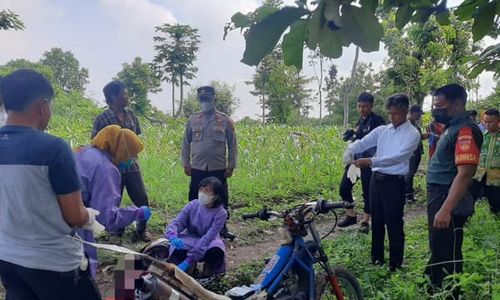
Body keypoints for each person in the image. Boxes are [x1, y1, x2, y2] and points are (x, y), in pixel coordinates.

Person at [0, 69, 101, 299]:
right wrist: (90, 217)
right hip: (53, 264)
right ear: (43, 106)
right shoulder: (53, 148)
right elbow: (74, 216)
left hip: (7, 259)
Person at [344, 94, 420, 271]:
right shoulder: (383, 130)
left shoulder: (412, 134)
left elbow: (398, 157)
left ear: (405, 112)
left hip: (394, 182)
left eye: (396, 114)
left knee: (394, 223)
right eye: (390, 113)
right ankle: (376, 259)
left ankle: (395, 263)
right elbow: (363, 143)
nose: (392, 117)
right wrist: (350, 150)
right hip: (376, 181)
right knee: (376, 221)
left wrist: (371, 161)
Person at [425, 84, 483, 293]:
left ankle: (448, 292)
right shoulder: (452, 127)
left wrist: (446, 209)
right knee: (439, 245)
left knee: (447, 249)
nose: (436, 110)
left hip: (446, 195)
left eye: (440, 106)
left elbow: (465, 173)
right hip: (439, 194)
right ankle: (434, 284)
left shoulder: (465, 130)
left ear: (457, 104)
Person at [76, 125, 153, 277]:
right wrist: (137, 212)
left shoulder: (83, 151)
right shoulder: (107, 169)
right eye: (131, 155)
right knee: (83, 271)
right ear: (122, 149)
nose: (131, 161)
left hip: (56, 216)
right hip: (76, 221)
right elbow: (105, 216)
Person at [92, 80, 152, 242]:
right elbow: (96, 144)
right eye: (123, 94)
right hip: (112, 169)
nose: (127, 97)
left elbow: (135, 139)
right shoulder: (102, 119)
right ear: (112, 96)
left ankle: (142, 229)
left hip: (132, 166)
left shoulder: (131, 114)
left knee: (141, 198)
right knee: (113, 201)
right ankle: (114, 230)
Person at [181, 85, 238, 240]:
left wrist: (231, 165)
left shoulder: (225, 120)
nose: (205, 102)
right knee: (195, 197)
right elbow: (186, 142)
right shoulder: (193, 120)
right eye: (202, 99)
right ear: (199, 100)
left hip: (218, 168)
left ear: (215, 99)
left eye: (208, 99)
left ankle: (222, 229)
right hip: (197, 167)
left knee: (220, 198)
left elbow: (233, 144)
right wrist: (185, 163)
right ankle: (193, 228)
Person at [337, 92, 385, 232]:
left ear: (371, 106)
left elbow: (377, 141)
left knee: (367, 191)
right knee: (344, 187)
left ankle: (365, 220)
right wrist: (351, 135)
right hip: (356, 161)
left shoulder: (377, 121)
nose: (362, 109)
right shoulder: (361, 121)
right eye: (359, 106)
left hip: (368, 162)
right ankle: (351, 215)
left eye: (365, 106)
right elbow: (359, 139)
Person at [164, 177, 227, 276]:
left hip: (210, 241)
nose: (202, 193)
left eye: (207, 191)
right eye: (201, 189)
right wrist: (172, 235)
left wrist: (189, 259)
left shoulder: (221, 213)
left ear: (216, 195)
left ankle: (211, 274)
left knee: (216, 252)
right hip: (190, 237)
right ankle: (189, 271)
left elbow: (208, 237)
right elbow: (178, 222)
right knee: (178, 249)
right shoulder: (192, 205)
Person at [471, 108, 499, 215]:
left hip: (496, 177)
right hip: (479, 174)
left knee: (495, 204)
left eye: (490, 122)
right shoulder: (481, 136)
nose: (487, 124)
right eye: (485, 121)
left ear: (498, 121)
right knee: (470, 198)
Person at [405, 105, 424, 203]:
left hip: (417, 152)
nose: (419, 116)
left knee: (411, 173)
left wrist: (424, 136)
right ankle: (407, 195)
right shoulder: (407, 124)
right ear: (412, 112)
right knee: (409, 173)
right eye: (418, 114)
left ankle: (409, 194)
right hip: (411, 153)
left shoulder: (415, 124)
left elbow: (418, 137)